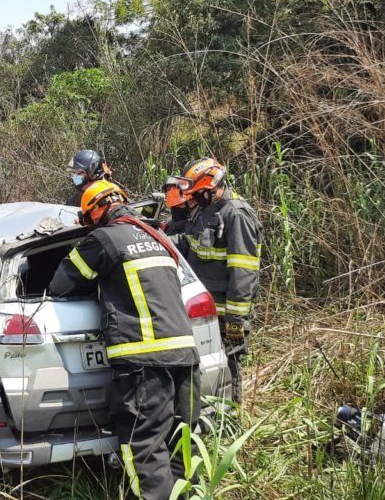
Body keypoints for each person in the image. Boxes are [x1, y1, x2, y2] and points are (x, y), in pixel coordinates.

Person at [48, 180, 200, 500]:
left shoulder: (104, 238)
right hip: (186, 356)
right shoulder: (158, 237)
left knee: (144, 446)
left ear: (94, 212)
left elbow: (61, 285)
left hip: (144, 362)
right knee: (181, 439)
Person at [163, 158, 261, 404]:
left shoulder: (236, 215)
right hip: (202, 312)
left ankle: (230, 425)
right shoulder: (207, 212)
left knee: (228, 369)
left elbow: (244, 272)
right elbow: (188, 244)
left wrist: (235, 322)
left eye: (196, 192)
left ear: (211, 187)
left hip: (226, 316)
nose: (192, 198)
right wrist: (158, 239)